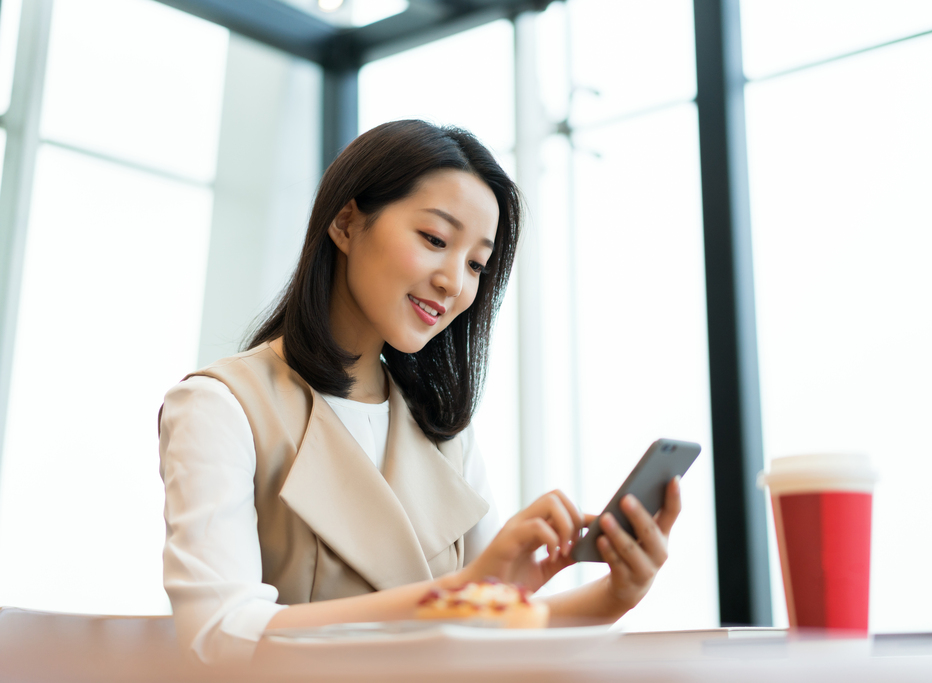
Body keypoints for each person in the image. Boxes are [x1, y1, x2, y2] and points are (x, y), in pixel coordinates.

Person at [158, 120, 682, 664]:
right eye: (435, 240)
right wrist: (452, 596)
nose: (455, 282)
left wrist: (613, 596)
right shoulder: (221, 406)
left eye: (477, 263)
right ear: (345, 222)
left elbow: (495, 629)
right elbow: (219, 633)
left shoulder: (445, 432)